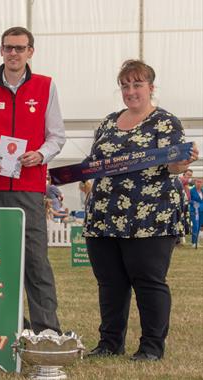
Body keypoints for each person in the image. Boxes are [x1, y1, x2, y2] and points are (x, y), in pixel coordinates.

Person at [82, 60, 198, 361]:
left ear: (150, 87)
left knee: (148, 280)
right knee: (109, 283)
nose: (130, 91)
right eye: (125, 85)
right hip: (105, 214)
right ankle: (109, 343)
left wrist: (182, 162)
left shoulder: (165, 122)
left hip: (150, 214)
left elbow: (173, 165)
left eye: (137, 84)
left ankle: (150, 347)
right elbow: (94, 164)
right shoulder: (108, 122)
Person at [0, 26, 65, 334]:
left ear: (30, 51)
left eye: (20, 48)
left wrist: (41, 154)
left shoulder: (46, 87)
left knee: (36, 263)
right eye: (9, 47)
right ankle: (5, 327)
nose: (14, 53)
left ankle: (46, 330)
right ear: (1, 51)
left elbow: (57, 136)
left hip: (30, 189)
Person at [190, 178, 203, 248]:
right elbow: (189, 199)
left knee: (200, 227)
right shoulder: (191, 191)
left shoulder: (202, 190)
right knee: (195, 226)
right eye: (198, 182)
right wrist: (194, 203)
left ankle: (197, 242)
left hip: (201, 211)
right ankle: (193, 242)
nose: (199, 183)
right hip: (194, 211)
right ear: (195, 182)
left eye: (201, 182)